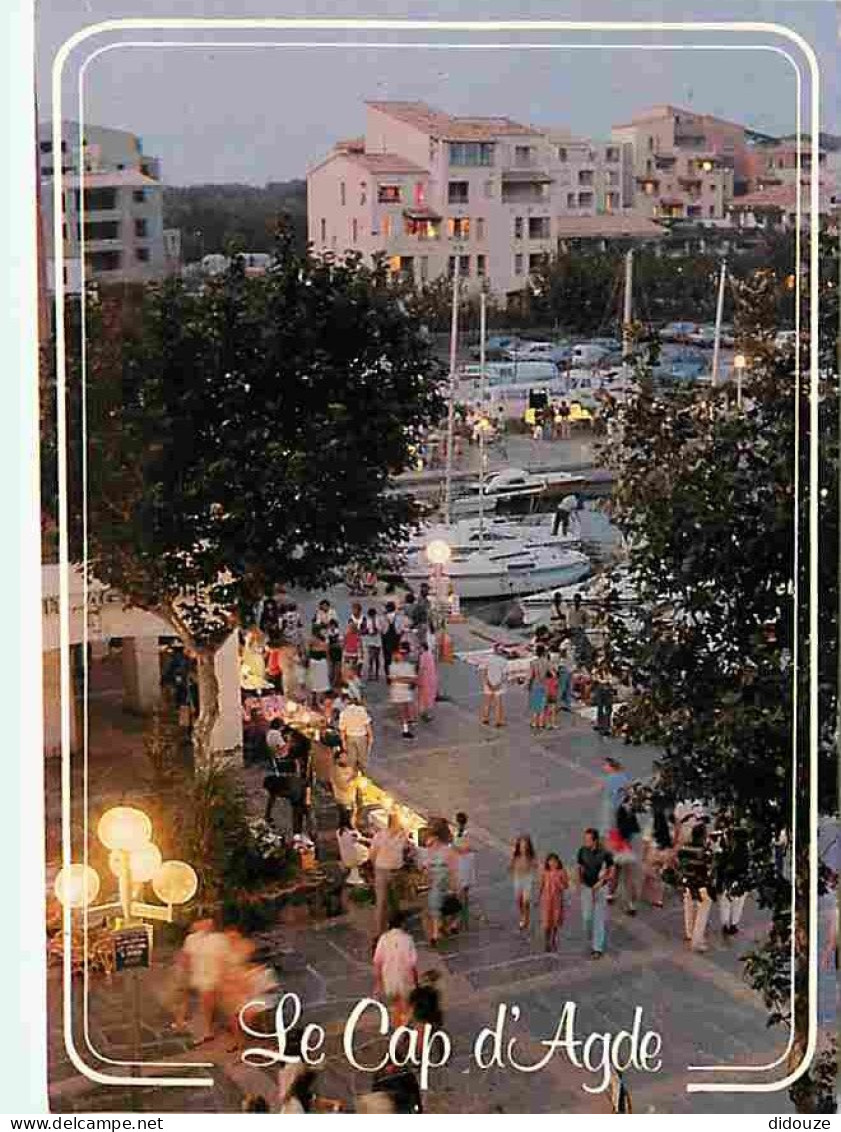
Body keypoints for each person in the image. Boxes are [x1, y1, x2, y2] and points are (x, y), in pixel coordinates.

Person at [174, 917, 232, 1044]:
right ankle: (181, 1023)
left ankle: (206, 1029)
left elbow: (225, 959)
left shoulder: (219, 939)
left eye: (208, 922)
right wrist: (183, 973)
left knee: (206, 999)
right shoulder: (191, 939)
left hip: (213, 974)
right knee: (181, 994)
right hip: (197, 973)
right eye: (201, 922)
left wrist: (224, 977)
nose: (205, 925)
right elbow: (186, 957)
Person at [373, 910, 418, 1027]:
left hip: (389, 980)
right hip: (405, 980)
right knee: (407, 1007)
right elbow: (411, 964)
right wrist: (416, 982)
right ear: (403, 923)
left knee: (396, 1007)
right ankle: (404, 1029)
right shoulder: (408, 939)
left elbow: (377, 962)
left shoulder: (383, 939)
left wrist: (378, 984)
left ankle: (399, 1030)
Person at [577, 828, 615, 959]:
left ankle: (597, 948)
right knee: (587, 917)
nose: (585, 841)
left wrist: (603, 881)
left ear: (595, 840)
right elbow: (580, 867)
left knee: (598, 917)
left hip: (600, 888)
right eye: (585, 839)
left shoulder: (605, 854)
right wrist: (579, 882)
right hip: (586, 887)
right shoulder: (582, 851)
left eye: (588, 839)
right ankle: (591, 937)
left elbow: (611, 870)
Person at [369, 811, 409, 937]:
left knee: (389, 901)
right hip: (389, 870)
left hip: (387, 870)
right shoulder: (398, 836)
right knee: (385, 901)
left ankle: (387, 929)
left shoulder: (384, 836)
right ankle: (382, 930)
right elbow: (373, 854)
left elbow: (372, 854)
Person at [678, 822, 714, 952]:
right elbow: (710, 868)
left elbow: (680, 864)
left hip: (688, 882)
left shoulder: (684, 848)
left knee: (688, 907)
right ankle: (697, 941)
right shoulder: (705, 851)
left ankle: (689, 932)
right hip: (701, 885)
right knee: (702, 913)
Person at [423, 820, 458, 946]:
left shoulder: (446, 851)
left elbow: (453, 870)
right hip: (437, 884)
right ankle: (438, 932)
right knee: (435, 907)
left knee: (439, 907)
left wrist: (454, 886)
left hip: (442, 883)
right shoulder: (435, 850)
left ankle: (439, 932)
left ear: (437, 837)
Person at [715, 824, 749, 937]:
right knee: (738, 904)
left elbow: (721, 866)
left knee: (726, 903)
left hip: (730, 880)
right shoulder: (745, 851)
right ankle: (733, 924)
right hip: (741, 882)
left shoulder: (730, 850)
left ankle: (726, 924)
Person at [539, 853, 569, 952]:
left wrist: (559, 883)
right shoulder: (545, 872)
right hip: (546, 900)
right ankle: (546, 941)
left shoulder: (562, 872)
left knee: (555, 921)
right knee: (547, 922)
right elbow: (541, 885)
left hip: (557, 900)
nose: (552, 863)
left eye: (554, 861)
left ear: (558, 862)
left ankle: (553, 939)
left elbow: (566, 886)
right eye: (550, 861)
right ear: (547, 862)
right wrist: (538, 898)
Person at [389, 641, 418, 740]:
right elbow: (393, 678)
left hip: (403, 690)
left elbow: (412, 679)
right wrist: (406, 679)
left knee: (407, 709)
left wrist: (400, 679)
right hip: (399, 691)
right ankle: (405, 729)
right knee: (402, 710)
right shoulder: (394, 666)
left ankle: (407, 725)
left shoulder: (408, 666)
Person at [452, 812, 476, 932]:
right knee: (463, 890)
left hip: (463, 862)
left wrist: (454, 848)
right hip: (463, 861)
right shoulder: (460, 832)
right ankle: (462, 915)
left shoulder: (463, 833)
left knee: (461, 890)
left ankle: (459, 919)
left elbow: (466, 848)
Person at [338, 691, 373, 771]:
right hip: (361, 737)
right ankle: (362, 774)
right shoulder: (361, 710)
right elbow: (367, 724)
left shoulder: (343, 713)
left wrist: (343, 741)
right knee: (362, 758)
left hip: (350, 737)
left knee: (352, 759)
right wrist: (371, 736)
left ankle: (353, 775)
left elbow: (342, 729)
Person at [510, 836, 538, 932]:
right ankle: (522, 914)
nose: (523, 848)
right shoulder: (516, 855)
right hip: (518, 878)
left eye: (525, 846)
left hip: (527, 878)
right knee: (518, 900)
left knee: (526, 901)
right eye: (521, 846)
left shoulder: (531, 855)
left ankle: (526, 918)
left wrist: (534, 867)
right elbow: (512, 864)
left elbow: (535, 865)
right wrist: (512, 868)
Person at [337, 817, 370, 886]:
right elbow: (361, 839)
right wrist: (371, 840)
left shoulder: (339, 831)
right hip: (355, 858)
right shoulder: (352, 832)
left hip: (345, 857)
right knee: (369, 852)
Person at [331, 749, 358, 829]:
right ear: (337, 760)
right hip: (343, 801)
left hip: (351, 799)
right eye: (343, 757)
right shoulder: (336, 771)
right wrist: (353, 779)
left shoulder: (349, 768)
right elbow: (344, 786)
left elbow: (356, 781)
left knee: (352, 821)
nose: (346, 759)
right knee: (345, 823)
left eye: (346, 756)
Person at [480, 646, 507, 727]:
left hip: (488, 683)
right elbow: (504, 675)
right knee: (498, 704)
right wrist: (498, 684)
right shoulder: (504, 661)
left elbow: (484, 672)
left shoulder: (487, 659)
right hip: (498, 684)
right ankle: (498, 721)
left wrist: (487, 682)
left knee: (487, 702)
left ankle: (485, 718)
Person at [305, 628, 330, 707]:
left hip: (321, 666)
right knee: (312, 684)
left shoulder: (324, 644)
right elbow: (307, 656)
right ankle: (312, 700)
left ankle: (319, 701)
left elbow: (327, 656)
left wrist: (328, 667)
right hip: (313, 665)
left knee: (320, 684)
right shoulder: (310, 644)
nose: (312, 638)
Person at [528, 644, 550, 729]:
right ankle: (541, 723)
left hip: (535, 684)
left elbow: (530, 676)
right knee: (543, 705)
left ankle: (534, 723)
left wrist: (528, 685)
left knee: (535, 705)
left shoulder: (533, 663)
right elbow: (553, 673)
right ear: (544, 652)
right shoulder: (547, 662)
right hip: (544, 685)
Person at [416, 640, 438, 722]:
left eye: (419, 648)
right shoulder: (430, 654)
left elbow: (421, 669)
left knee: (424, 696)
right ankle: (426, 713)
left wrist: (418, 678)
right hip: (431, 678)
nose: (419, 650)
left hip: (425, 679)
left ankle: (424, 713)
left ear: (422, 648)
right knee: (429, 696)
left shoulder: (423, 656)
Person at [361, 606, 384, 682]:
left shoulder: (378, 620)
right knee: (370, 658)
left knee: (377, 658)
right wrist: (367, 631)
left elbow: (381, 629)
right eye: (371, 615)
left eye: (373, 615)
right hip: (370, 640)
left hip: (377, 640)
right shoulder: (367, 620)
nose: (372, 616)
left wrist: (376, 630)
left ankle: (377, 674)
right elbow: (364, 630)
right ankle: (370, 674)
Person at [381, 601, 400, 678]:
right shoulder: (398, 617)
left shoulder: (383, 617)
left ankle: (388, 676)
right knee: (395, 656)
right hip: (396, 638)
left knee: (387, 658)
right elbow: (400, 628)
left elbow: (380, 628)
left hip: (386, 638)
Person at [326, 619, 344, 690]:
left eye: (333, 626)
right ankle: (331, 685)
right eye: (331, 626)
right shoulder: (328, 633)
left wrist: (336, 646)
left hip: (338, 653)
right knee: (331, 671)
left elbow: (341, 644)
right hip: (331, 653)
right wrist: (327, 655)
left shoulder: (339, 632)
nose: (332, 627)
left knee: (338, 670)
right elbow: (327, 645)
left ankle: (337, 685)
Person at [544, 662, 559, 729]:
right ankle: (553, 724)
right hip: (553, 694)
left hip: (547, 694)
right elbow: (556, 685)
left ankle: (547, 724)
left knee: (547, 710)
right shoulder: (555, 679)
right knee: (553, 710)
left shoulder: (545, 679)